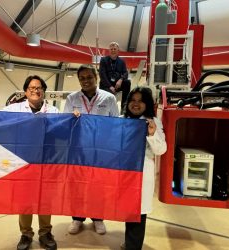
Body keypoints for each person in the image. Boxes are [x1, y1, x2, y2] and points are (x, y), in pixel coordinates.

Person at [2, 75, 58, 250]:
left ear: (43, 91)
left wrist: (76, 117)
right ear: (26, 91)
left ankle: (45, 233)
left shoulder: (54, 111)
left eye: (39, 87)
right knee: (25, 200)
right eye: (32, 88)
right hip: (23, 162)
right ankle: (26, 234)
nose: (35, 90)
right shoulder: (14, 109)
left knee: (44, 200)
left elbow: (65, 130)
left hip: (46, 162)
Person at [63, 64, 119, 235]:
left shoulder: (109, 98)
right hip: (79, 149)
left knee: (98, 185)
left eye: (89, 77)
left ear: (96, 77)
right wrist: (72, 120)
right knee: (78, 185)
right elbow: (65, 124)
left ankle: (98, 218)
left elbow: (116, 124)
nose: (86, 81)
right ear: (79, 80)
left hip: (100, 150)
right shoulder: (72, 99)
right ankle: (77, 218)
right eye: (82, 78)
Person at [121, 87, 167, 250]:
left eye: (140, 101)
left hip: (142, 175)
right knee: (128, 212)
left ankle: (133, 247)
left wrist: (152, 134)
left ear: (147, 104)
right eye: (133, 100)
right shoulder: (121, 120)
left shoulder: (153, 122)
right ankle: (129, 243)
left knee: (138, 214)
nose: (135, 104)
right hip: (123, 175)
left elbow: (161, 150)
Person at [99, 42, 131, 113]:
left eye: (114, 49)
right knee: (108, 94)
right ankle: (107, 112)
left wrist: (121, 79)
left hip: (117, 84)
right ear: (109, 51)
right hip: (107, 85)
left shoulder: (122, 61)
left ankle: (124, 108)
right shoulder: (103, 60)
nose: (113, 50)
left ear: (118, 51)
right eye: (111, 49)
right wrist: (110, 86)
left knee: (127, 82)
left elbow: (125, 73)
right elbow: (102, 74)